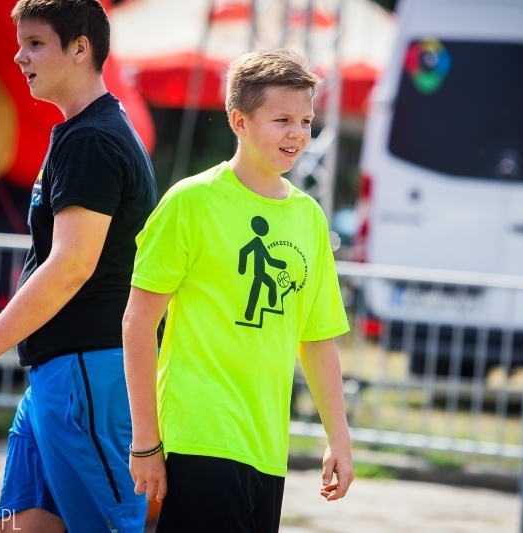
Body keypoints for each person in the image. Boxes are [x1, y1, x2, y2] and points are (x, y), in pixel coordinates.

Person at [0, 1, 158, 531]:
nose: (19, 57)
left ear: (80, 49)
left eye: (34, 44)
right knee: (21, 523)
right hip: (61, 374)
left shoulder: (93, 137)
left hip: (87, 371)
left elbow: (70, 266)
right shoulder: (83, 130)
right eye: (21, 44)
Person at [123, 48, 355, 532]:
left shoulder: (310, 218)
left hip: (267, 449)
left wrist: (339, 438)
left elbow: (316, 339)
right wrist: (145, 442)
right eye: (282, 119)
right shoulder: (191, 201)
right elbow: (138, 323)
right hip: (200, 436)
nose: (298, 133)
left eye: (306, 121)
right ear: (239, 121)